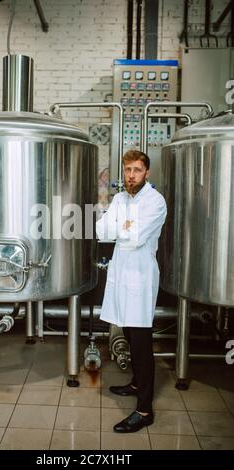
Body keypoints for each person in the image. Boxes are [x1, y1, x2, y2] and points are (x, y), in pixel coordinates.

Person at [96, 149, 167, 433]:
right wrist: (120, 226)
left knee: (140, 344)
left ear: (147, 172)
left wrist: (120, 227)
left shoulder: (155, 201)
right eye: (127, 170)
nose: (131, 175)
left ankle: (145, 410)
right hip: (121, 273)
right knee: (126, 330)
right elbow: (101, 231)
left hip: (139, 277)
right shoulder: (119, 198)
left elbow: (136, 238)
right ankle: (136, 383)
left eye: (137, 170)